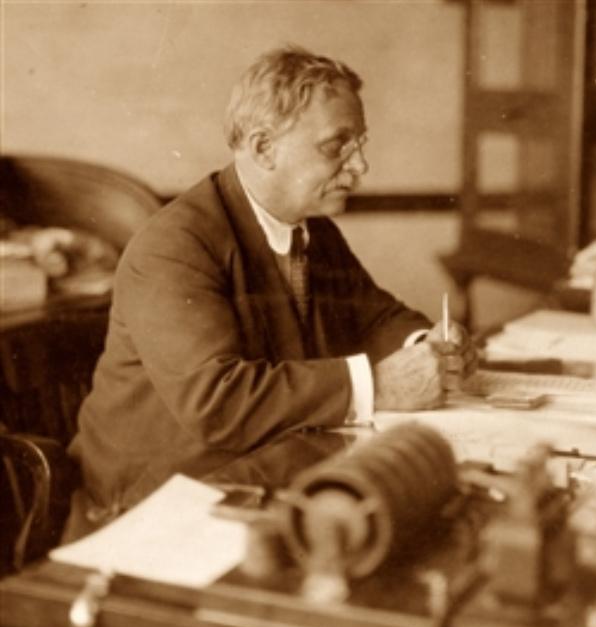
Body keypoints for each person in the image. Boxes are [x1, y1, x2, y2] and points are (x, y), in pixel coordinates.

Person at [62, 46, 477, 541]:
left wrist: (429, 345)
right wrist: (382, 386)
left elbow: (375, 316)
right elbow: (218, 402)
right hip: (147, 509)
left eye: (360, 143)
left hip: (256, 476)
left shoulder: (310, 228)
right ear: (262, 148)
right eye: (336, 146)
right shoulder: (174, 246)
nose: (360, 165)